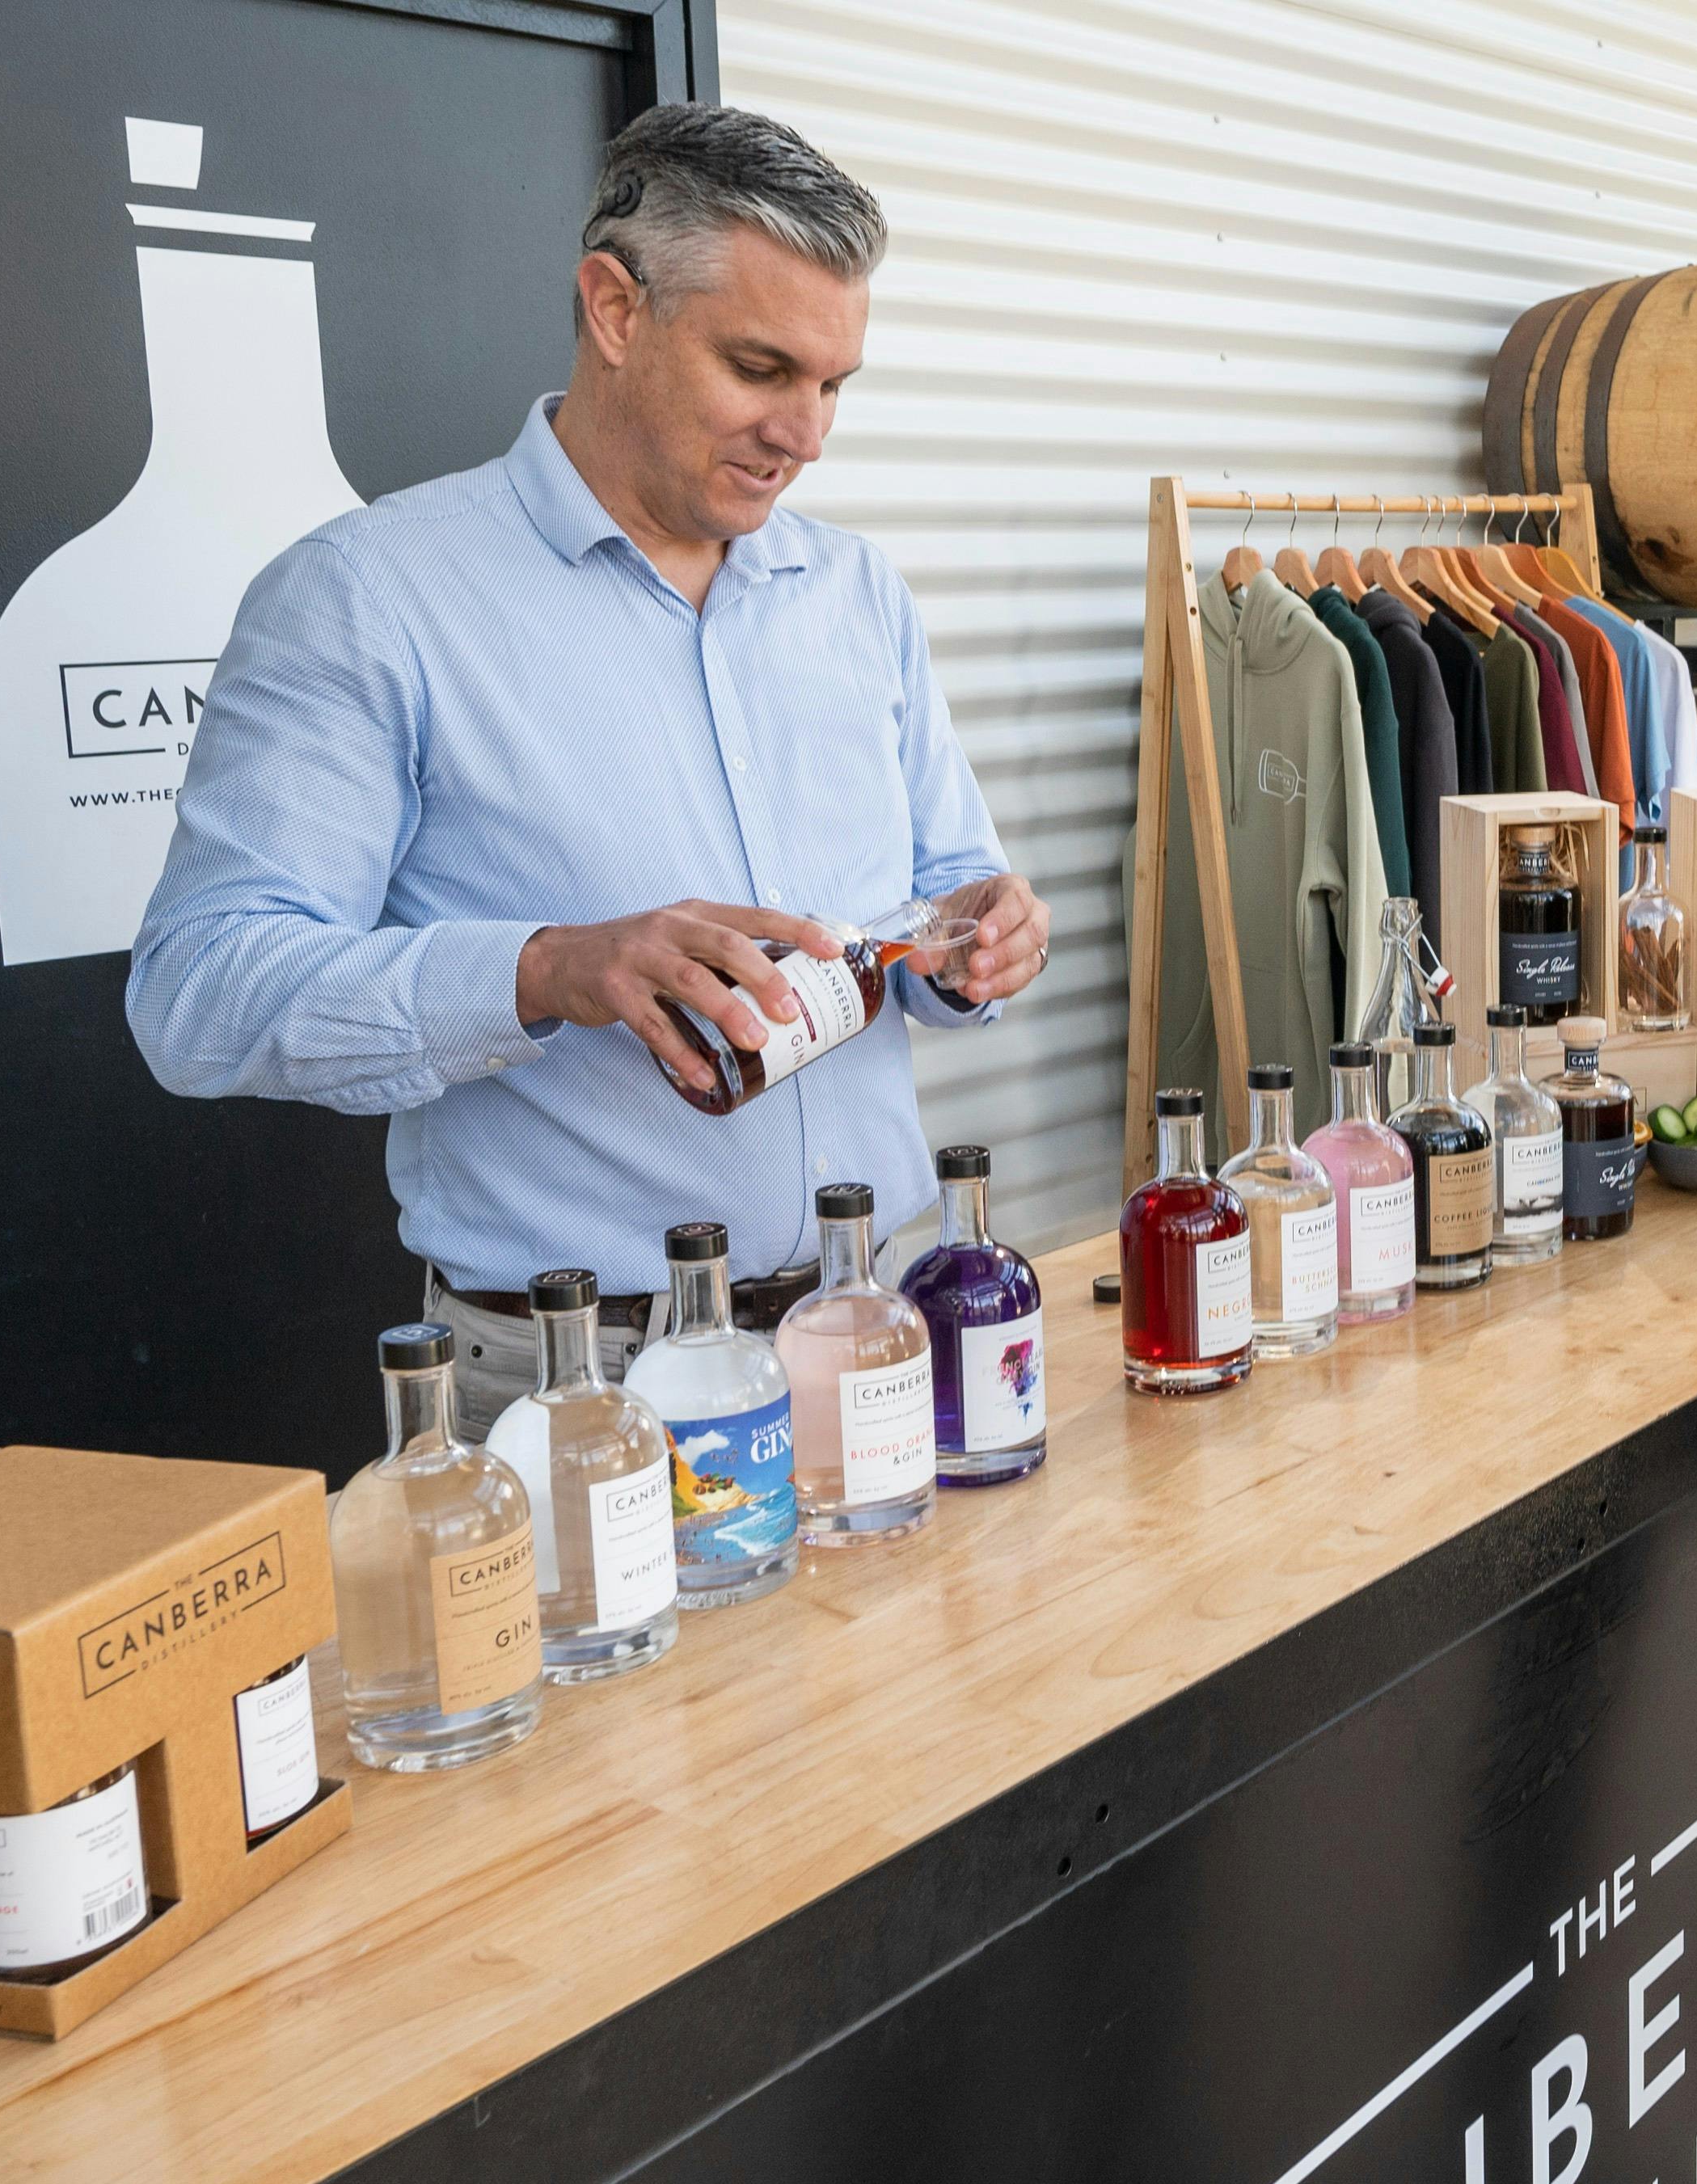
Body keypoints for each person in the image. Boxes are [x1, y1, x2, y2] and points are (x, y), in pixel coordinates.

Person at [129, 103, 1051, 1435]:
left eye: (835, 384)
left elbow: (947, 884)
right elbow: (197, 991)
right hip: (587, 1383)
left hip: (868, 1326)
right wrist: (553, 969)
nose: (806, 431)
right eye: (761, 368)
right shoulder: (367, 598)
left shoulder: (857, 593)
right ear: (615, 310)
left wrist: (980, 940)